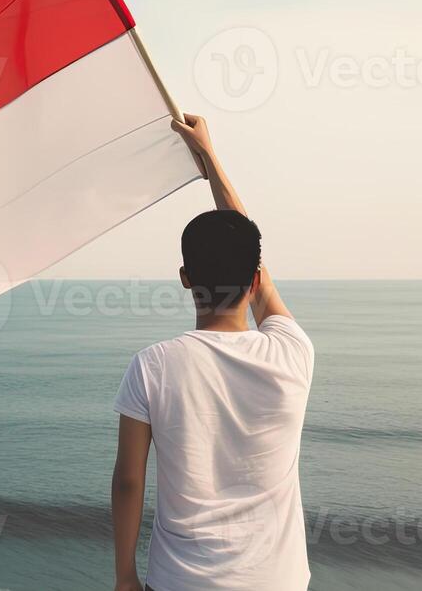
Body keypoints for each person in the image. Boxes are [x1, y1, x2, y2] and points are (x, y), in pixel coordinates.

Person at [111, 114, 315, 591]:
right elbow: (252, 253)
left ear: (185, 278)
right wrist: (209, 157)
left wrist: (125, 577)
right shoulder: (292, 353)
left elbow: (128, 482)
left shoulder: (152, 367)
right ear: (255, 281)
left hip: (182, 581)